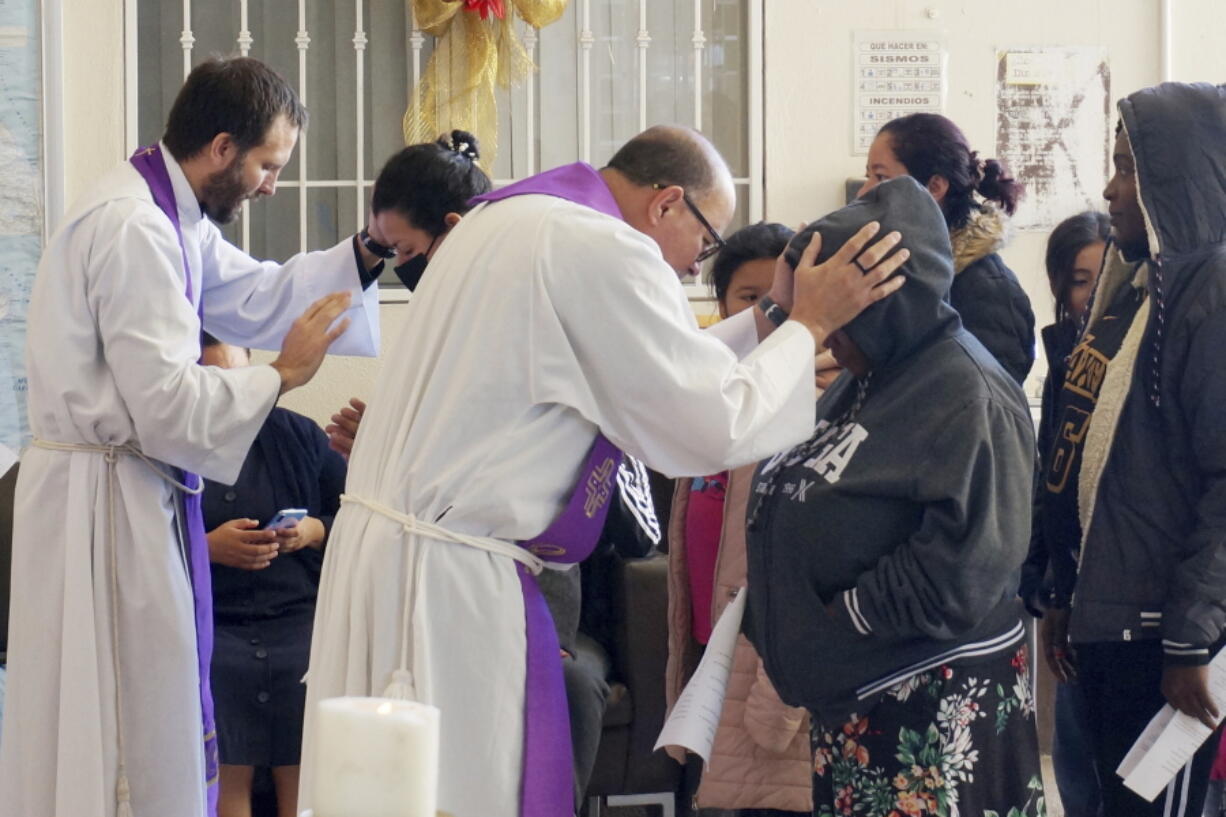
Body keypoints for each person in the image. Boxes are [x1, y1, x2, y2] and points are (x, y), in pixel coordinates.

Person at [299, 125, 910, 817]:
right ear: (667, 204)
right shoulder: (603, 247)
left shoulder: (505, 219)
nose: (691, 267)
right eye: (705, 242)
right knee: (461, 789)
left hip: (392, 557)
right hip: (447, 588)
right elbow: (707, 421)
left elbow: (658, 366)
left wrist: (772, 318)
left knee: (380, 790)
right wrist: (810, 324)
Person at [0, 57, 384, 817]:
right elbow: (165, 405)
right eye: (268, 164)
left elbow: (256, 293)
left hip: (122, 489)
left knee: (152, 701)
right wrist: (280, 377)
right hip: (102, 503)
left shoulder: (166, 213)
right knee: (124, 711)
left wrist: (367, 254)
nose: (272, 183)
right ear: (220, 147)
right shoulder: (134, 227)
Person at [744, 176, 1041, 817]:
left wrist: (847, 616)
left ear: (882, 298)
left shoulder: (969, 393)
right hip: (859, 702)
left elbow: (970, 562)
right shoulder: (876, 374)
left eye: (833, 310)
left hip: (925, 717)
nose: (823, 335)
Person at [1043, 83, 1226, 817]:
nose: (1112, 190)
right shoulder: (1133, 291)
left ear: (1176, 180)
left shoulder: (1210, 294)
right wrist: (1062, 590)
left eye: (1130, 170)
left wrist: (1191, 640)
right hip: (1108, 624)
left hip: (1164, 638)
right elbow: (1077, 454)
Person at [665, 222, 816, 817]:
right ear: (724, 304)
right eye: (749, 299)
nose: (766, 313)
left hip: (763, 668)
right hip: (708, 649)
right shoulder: (707, 393)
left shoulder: (811, 393)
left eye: (778, 298)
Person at [198, 335, 347, 817]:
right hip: (214, 623)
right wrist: (207, 548)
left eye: (240, 381)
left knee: (308, 666)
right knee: (218, 672)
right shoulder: (169, 448)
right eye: (212, 383)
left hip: (297, 618)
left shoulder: (299, 437)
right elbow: (139, 546)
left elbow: (355, 516)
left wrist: (310, 530)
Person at [1019, 210, 1108, 817]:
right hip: (1070, 593)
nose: (1093, 295)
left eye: (1105, 279)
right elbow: (1052, 478)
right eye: (1081, 280)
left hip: (1125, 601)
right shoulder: (1061, 359)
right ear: (1057, 284)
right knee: (1077, 763)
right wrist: (1046, 582)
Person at [859, 112, 1036, 384]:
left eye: (881, 178)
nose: (864, 192)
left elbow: (984, 403)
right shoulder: (907, 272)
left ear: (935, 187)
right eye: (868, 176)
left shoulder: (987, 289)